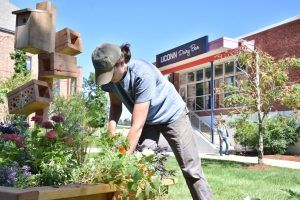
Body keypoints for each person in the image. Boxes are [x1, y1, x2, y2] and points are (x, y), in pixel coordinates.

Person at [91, 43, 213, 200]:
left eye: (109, 73)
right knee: (142, 165)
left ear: (121, 62)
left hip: (172, 115)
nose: (108, 79)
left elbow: (137, 125)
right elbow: (115, 105)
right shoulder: (108, 80)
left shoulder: (142, 74)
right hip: (148, 120)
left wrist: (121, 161)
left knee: (191, 169)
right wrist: (110, 135)